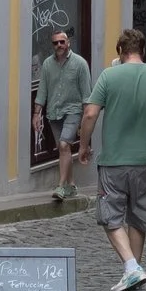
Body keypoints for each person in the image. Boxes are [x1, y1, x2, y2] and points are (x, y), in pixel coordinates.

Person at [81, 27, 146, 291]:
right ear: (143, 50)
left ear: (120, 51)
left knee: (110, 217)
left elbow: (91, 114)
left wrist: (83, 145)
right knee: (139, 218)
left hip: (115, 160)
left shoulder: (109, 76)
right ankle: (133, 271)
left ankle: (131, 267)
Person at [34, 28, 94, 202]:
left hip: (73, 111)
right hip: (54, 113)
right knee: (64, 149)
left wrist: (85, 120)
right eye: (55, 43)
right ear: (52, 45)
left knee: (63, 145)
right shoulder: (47, 64)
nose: (59, 45)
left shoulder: (80, 64)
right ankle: (72, 185)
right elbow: (42, 91)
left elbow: (86, 95)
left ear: (68, 43)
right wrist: (36, 114)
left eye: (62, 42)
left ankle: (60, 186)